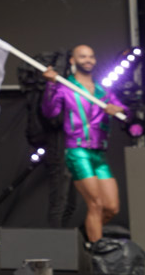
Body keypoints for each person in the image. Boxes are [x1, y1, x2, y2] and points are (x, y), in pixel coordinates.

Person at [41, 45, 125, 245]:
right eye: (83, 56)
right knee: (95, 204)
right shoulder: (64, 86)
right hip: (77, 151)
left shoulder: (102, 89)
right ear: (72, 60)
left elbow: (125, 111)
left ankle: (86, 238)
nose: (88, 60)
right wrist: (50, 86)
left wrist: (118, 109)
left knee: (111, 207)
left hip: (99, 153)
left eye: (91, 56)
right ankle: (99, 254)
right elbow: (50, 113)